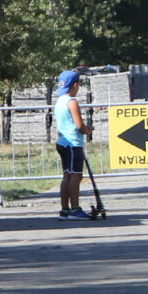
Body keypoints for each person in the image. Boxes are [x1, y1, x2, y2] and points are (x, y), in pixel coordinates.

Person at [54, 69, 93, 220]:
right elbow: (79, 126)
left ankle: (65, 209)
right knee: (76, 176)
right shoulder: (72, 102)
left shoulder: (59, 102)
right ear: (75, 84)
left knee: (67, 176)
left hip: (62, 142)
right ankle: (75, 209)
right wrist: (88, 130)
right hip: (72, 143)